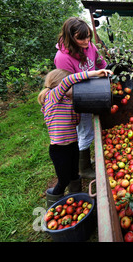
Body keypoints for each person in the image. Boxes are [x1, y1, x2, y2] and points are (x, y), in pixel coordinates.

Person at [38, 68, 112, 207]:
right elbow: (68, 80)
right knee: (64, 180)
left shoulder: (68, 101)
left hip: (72, 145)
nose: (76, 88)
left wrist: (77, 104)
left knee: (74, 175)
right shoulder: (52, 98)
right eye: (74, 87)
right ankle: (53, 202)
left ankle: (75, 200)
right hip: (59, 150)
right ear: (59, 86)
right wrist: (95, 73)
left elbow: (75, 122)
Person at [54, 17, 108, 179]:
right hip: (78, 97)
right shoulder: (62, 58)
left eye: (88, 36)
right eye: (81, 38)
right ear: (70, 37)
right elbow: (67, 88)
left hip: (94, 90)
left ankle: (89, 158)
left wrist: (109, 74)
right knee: (85, 131)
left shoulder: (90, 46)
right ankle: (83, 168)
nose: (86, 41)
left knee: (94, 126)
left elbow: (100, 64)